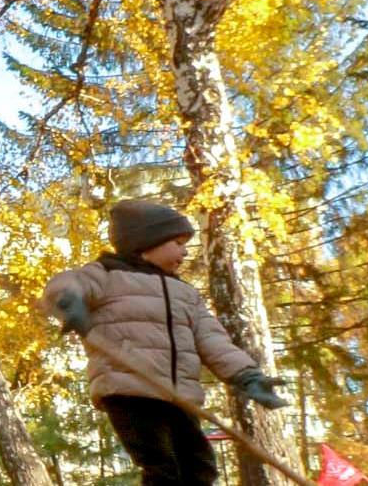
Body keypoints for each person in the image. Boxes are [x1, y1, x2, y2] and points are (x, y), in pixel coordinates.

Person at [42, 200, 292, 486]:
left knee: (200, 468)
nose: (185, 251)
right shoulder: (106, 274)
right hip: (130, 389)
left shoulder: (185, 293)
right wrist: (68, 300)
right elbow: (66, 283)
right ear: (148, 241)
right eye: (178, 243)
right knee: (162, 468)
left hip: (180, 397)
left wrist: (246, 375)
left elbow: (212, 339)